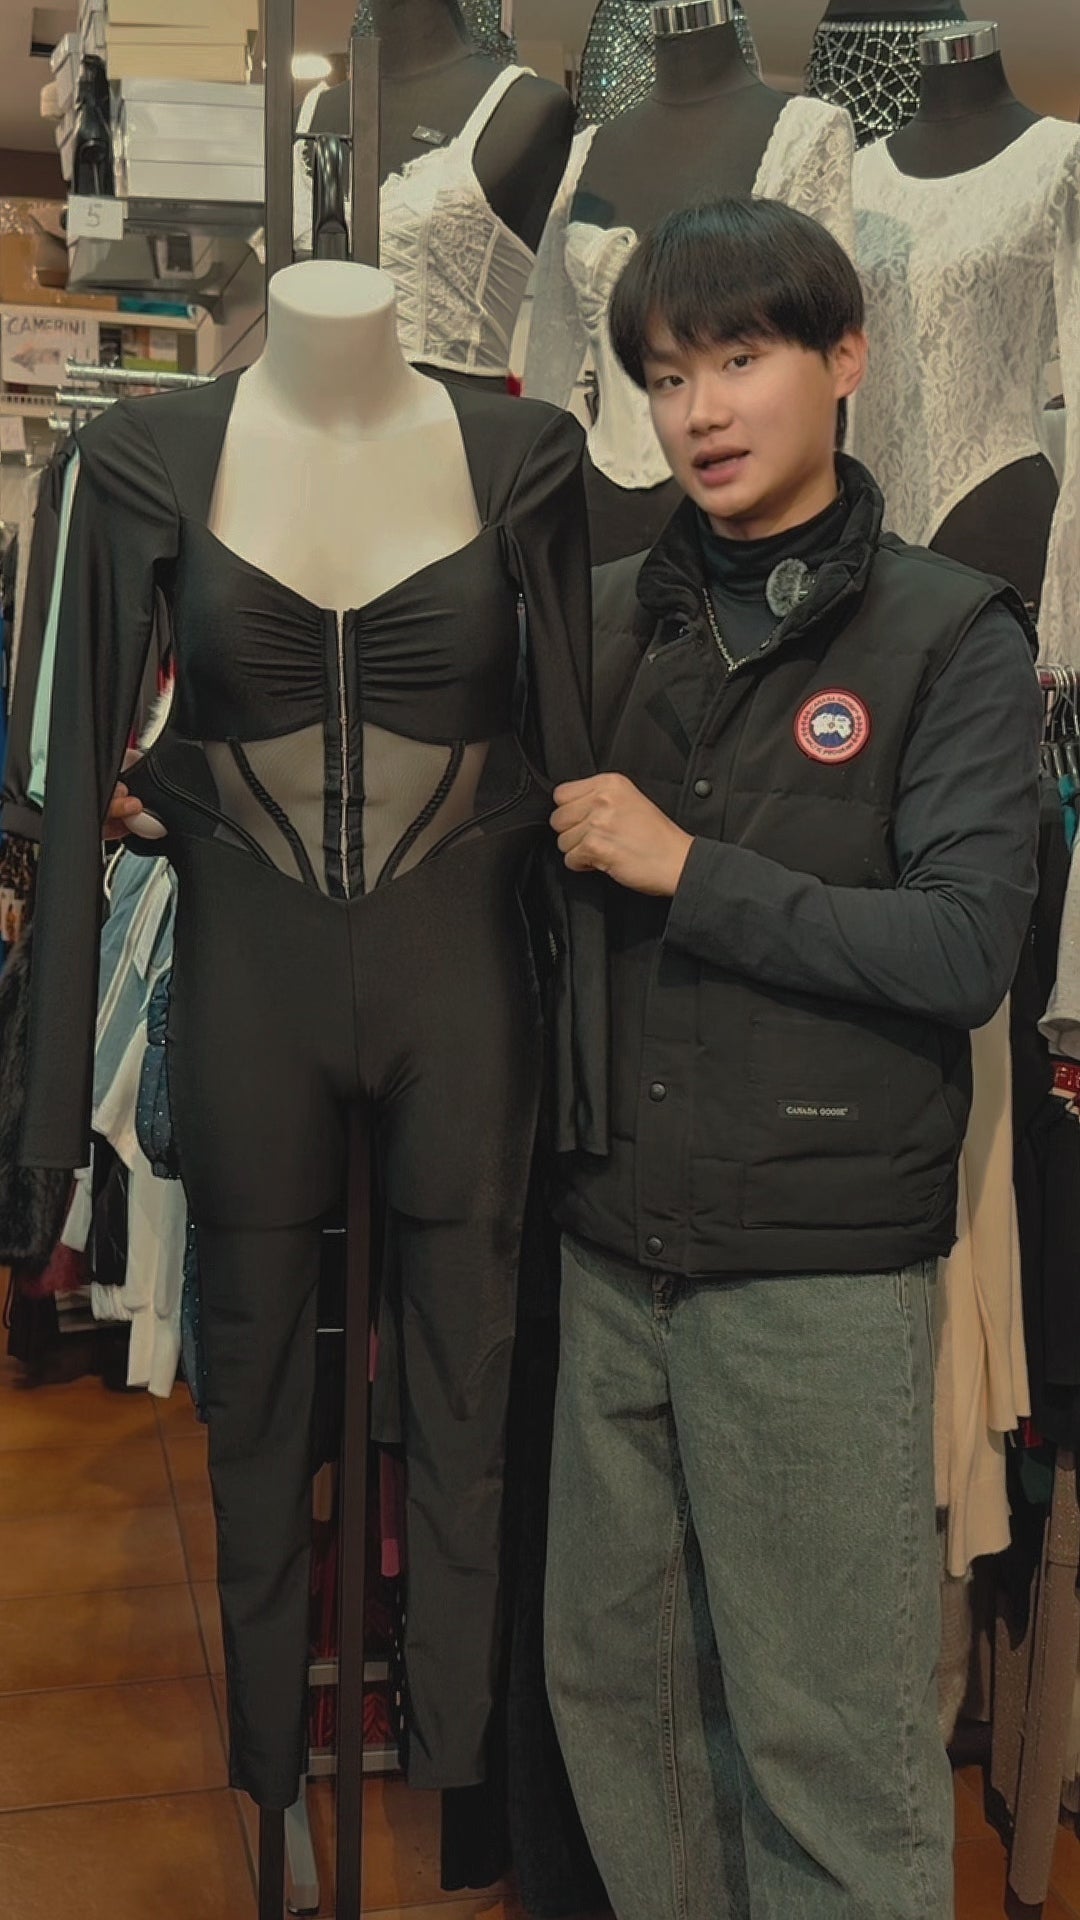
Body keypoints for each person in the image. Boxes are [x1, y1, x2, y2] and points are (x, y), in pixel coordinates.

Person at [544, 198, 1042, 1920]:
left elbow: (965, 951)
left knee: (828, 1743)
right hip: (612, 1246)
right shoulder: (602, 619)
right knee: (624, 1704)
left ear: (845, 359)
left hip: (820, 1273)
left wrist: (693, 870)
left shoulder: (950, 635)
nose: (700, 411)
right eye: (668, 375)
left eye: (740, 359)